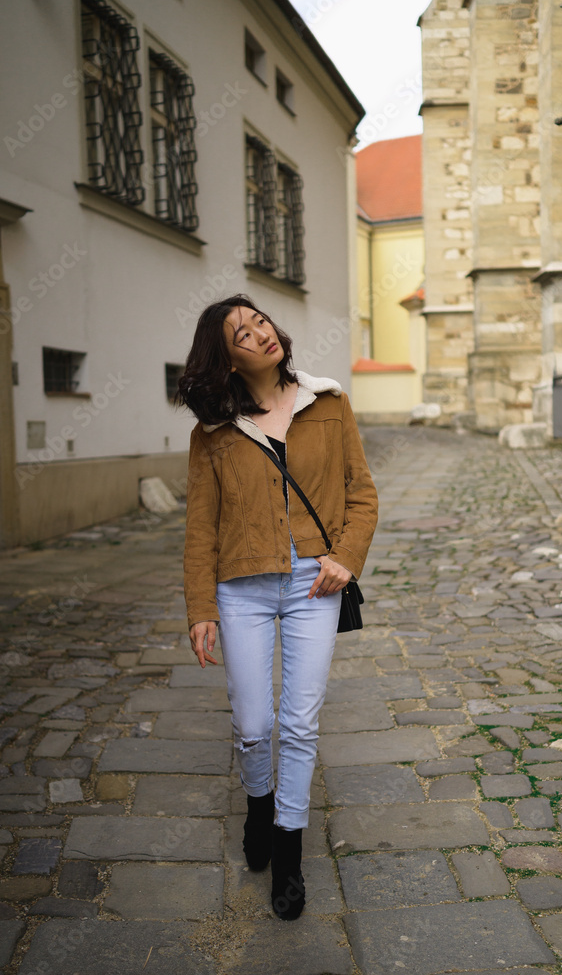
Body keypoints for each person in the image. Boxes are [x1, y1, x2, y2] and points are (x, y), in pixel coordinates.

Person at [175, 293, 378, 920]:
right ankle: (258, 804)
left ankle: (287, 850)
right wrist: (199, 608)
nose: (261, 333)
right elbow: (200, 527)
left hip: (315, 584)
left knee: (299, 722)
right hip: (242, 586)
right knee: (255, 724)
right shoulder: (212, 433)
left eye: (260, 320)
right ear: (227, 361)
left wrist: (345, 557)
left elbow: (362, 495)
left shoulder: (330, 402)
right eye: (242, 333)